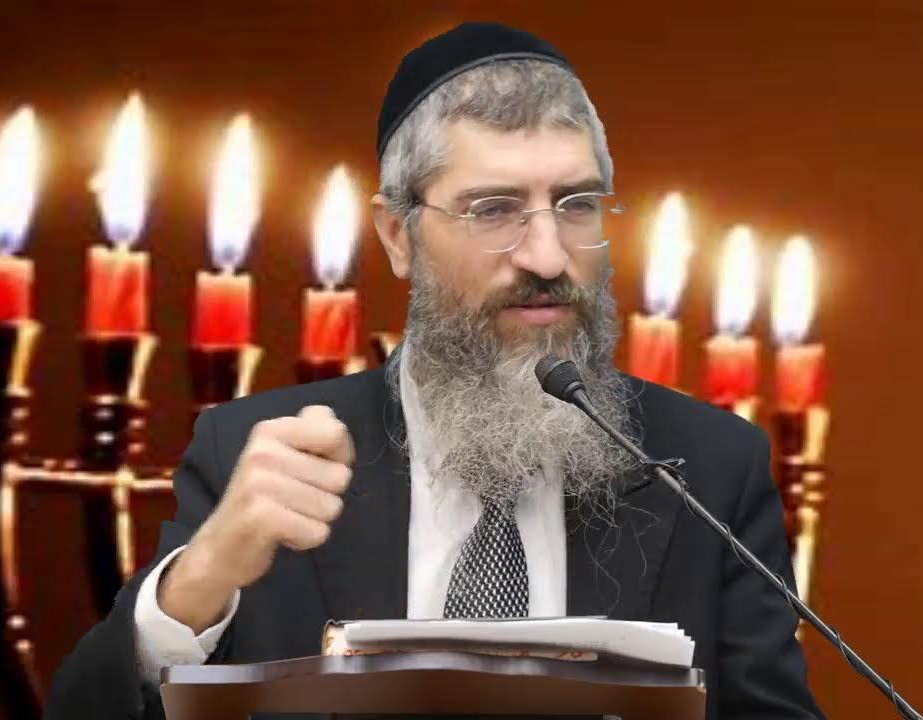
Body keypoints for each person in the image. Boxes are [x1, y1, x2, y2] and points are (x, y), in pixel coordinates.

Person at [46, 22, 823, 720]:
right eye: (494, 210)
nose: (547, 256)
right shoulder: (255, 453)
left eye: (577, 205)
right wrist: (202, 577)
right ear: (398, 235)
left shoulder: (709, 469)